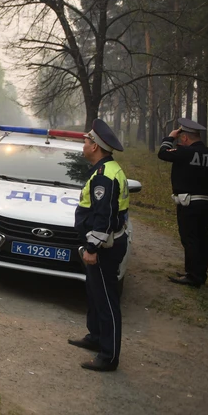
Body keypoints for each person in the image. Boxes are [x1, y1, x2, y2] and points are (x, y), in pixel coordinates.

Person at [68, 119, 128, 372]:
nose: (83, 144)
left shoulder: (105, 176)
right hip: (101, 245)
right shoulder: (105, 169)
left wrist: (92, 248)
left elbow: (104, 217)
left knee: (106, 300)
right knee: (94, 294)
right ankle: (95, 337)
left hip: (105, 248)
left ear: (95, 147)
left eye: (86, 141)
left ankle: (109, 356)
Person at [158, 118, 208, 288]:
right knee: (202, 239)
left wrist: (170, 137)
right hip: (204, 204)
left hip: (188, 204)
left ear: (186, 138)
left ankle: (194, 276)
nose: (180, 141)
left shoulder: (184, 152)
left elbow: (163, 153)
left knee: (190, 239)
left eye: (181, 138)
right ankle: (197, 273)